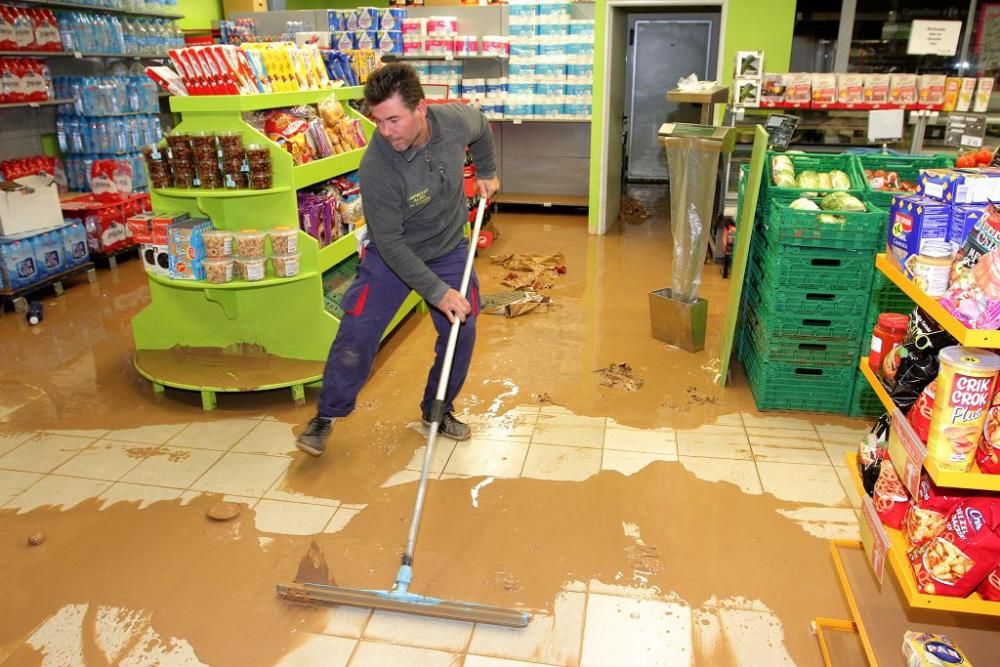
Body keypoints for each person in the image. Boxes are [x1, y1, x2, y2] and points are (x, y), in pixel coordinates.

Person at [296, 63, 499, 457]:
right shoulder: (377, 166)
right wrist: (436, 292)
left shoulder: (455, 121)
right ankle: (327, 414)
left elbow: (483, 127)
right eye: (378, 121)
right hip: (392, 256)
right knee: (358, 332)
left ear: (421, 109)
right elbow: (388, 242)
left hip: (446, 247)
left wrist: (488, 171)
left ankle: (436, 411)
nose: (385, 132)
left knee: (462, 328)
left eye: (394, 119)